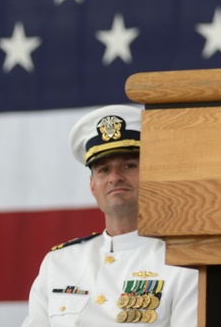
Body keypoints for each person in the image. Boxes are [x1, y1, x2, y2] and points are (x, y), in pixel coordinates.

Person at [22, 105, 198, 326]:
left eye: (128, 165)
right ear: (92, 185)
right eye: (103, 169)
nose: (115, 177)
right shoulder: (58, 263)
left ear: (151, 176)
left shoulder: (184, 263)